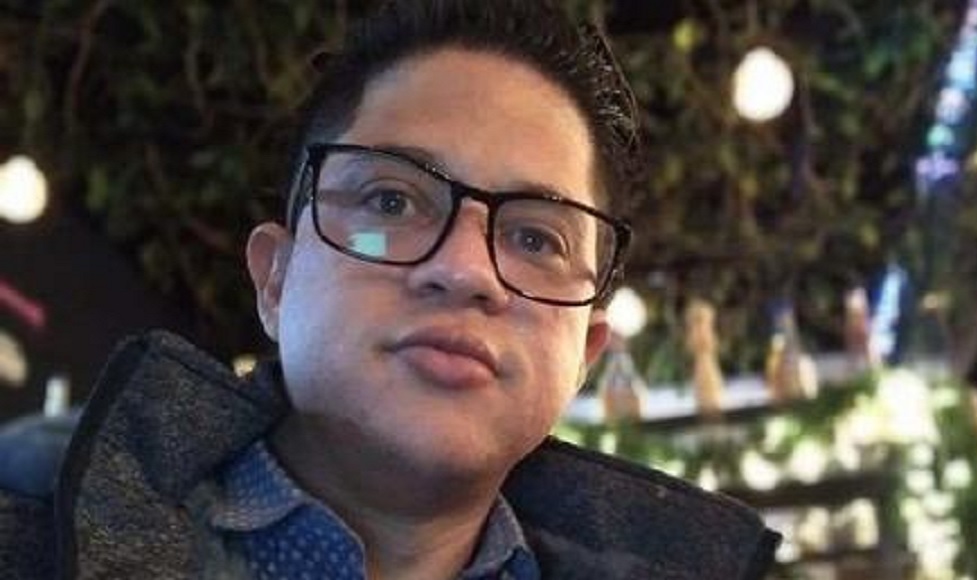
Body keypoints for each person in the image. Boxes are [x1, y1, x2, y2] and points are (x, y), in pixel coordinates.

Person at [0, 1, 779, 578]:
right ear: (275, 278)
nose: (465, 271)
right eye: (391, 202)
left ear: (586, 354)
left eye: (536, 239)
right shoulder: (32, 534)